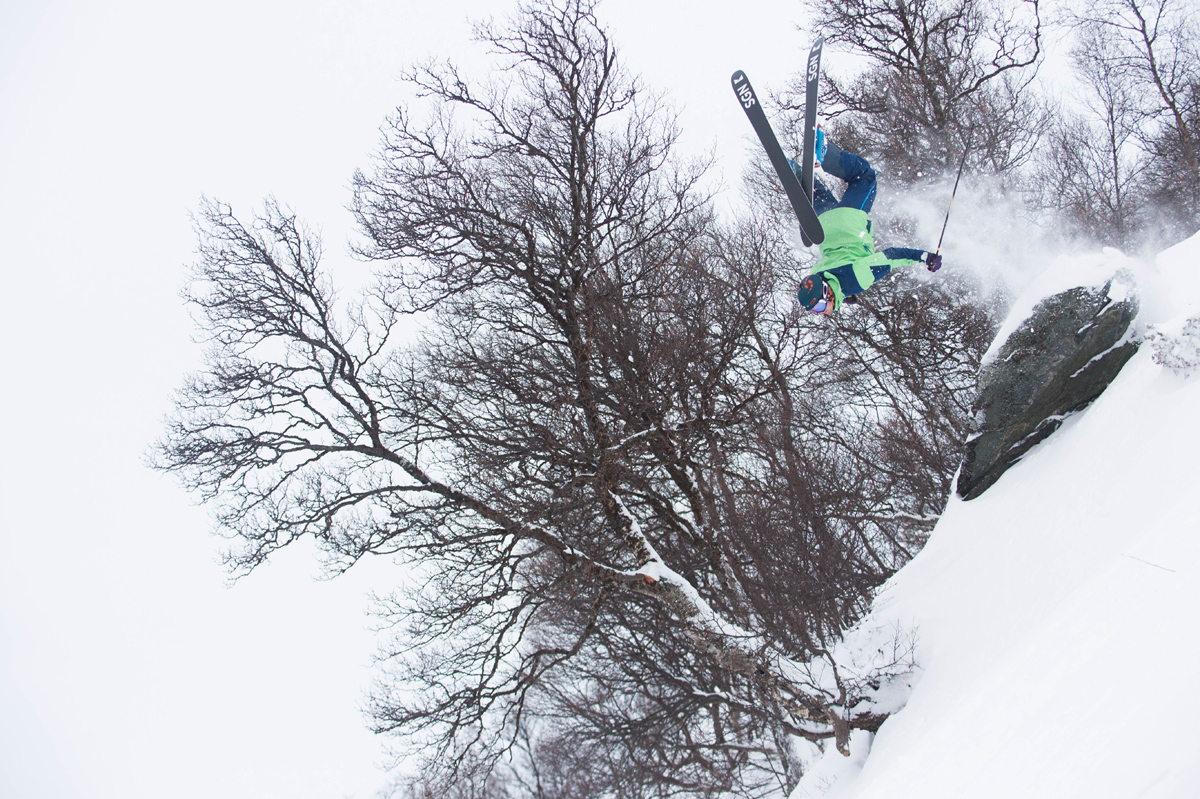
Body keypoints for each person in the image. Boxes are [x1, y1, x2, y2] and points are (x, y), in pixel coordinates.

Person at [793, 132, 942, 316]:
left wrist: (924, 257)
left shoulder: (858, 279)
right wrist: (845, 294)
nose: (820, 313)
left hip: (849, 221)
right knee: (816, 192)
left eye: (819, 308)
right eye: (817, 309)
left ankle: (826, 154)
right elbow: (837, 275)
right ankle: (795, 172)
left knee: (865, 177)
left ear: (827, 294)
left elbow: (891, 257)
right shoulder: (817, 273)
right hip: (825, 223)